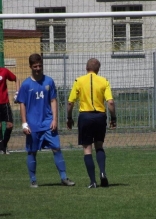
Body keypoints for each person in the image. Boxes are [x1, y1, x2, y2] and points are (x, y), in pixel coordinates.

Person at [16, 53, 75, 188]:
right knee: (32, 151)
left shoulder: (49, 81)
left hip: (48, 123)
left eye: (40, 66)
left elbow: (53, 100)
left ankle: (64, 177)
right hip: (33, 124)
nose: (38, 68)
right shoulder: (25, 85)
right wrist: (24, 123)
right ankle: (33, 179)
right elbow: (22, 104)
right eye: (35, 66)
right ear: (30, 66)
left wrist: (55, 119)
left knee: (57, 148)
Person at [67, 58, 116, 188]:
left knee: (87, 149)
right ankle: (103, 173)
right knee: (99, 146)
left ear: (86, 68)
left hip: (85, 117)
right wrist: (113, 118)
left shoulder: (79, 81)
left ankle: (93, 181)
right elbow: (110, 102)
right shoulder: (104, 81)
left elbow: (70, 102)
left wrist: (69, 117)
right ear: (98, 69)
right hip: (100, 116)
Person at [0, 67, 20, 154]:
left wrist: (17, 93)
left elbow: (16, 79)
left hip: (5, 103)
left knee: (10, 125)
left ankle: (3, 146)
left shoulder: (4, 71)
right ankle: (2, 149)